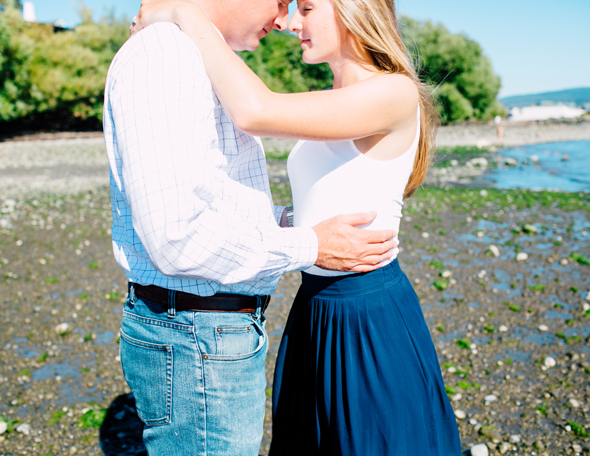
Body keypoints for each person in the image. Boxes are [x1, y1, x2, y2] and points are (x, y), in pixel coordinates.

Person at [131, 0, 462, 454]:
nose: (289, 23)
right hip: (314, 304)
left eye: (306, 8)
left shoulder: (395, 92)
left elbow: (253, 110)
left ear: (353, 9)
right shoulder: (334, 96)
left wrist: (184, 12)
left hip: (367, 309)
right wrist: (291, 221)